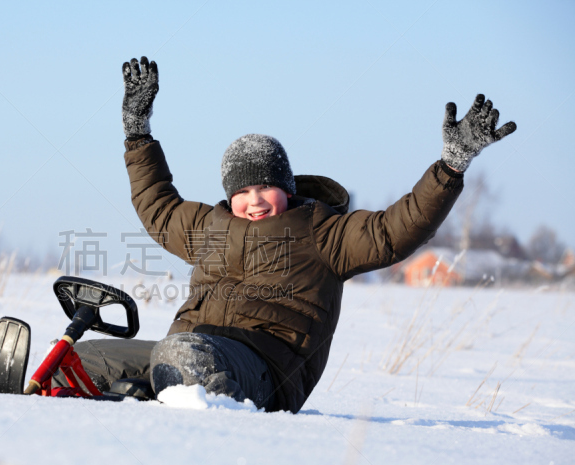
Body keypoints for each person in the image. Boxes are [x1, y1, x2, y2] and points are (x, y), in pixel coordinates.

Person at [62, 56, 516, 413]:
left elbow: (396, 230)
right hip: (187, 347)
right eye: (242, 191)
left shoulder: (324, 233)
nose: (254, 200)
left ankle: (180, 408)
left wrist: (451, 166)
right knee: (77, 361)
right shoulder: (210, 228)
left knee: (183, 356)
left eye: (265, 187)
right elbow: (158, 205)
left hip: (264, 369)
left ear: (287, 189)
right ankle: (70, 394)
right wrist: (137, 133)